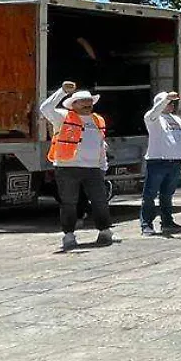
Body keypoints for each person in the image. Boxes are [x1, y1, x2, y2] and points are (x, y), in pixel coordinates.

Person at [40, 81, 113, 249]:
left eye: (89, 101)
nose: (88, 104)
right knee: (69, 202)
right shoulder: (63, 117)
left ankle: (104, 231)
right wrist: (62, 92)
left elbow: (101, 145)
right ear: (74, 104)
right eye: (83, 101)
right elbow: (45, 108)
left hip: (94, 169)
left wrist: (103, 166)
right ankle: (69, 235)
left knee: (100, 201)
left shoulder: (98, 120)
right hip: (67, 168)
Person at [140, 89, 181, 236]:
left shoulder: (177, 119)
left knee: (167, 194)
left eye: (172, 103)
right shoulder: (152, 118)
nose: (172, 105)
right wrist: (165, 99)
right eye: (169, 103)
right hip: (157, 161)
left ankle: (167, 222)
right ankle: (146, 224)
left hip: (174, 162)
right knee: (150, 194)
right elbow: (155, 111)